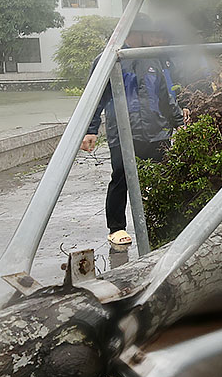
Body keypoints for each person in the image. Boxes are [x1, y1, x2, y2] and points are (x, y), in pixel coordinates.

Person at [80, 14, 186, 246]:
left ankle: (163, 223)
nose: (153, 38)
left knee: (164, 179)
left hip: (156, 132)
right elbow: (95, 98)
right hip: (123, 134)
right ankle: (116, 228)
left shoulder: (153, 60)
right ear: (134, 33)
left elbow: (165, 97)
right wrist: (91, 130)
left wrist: (180, 124)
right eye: (148, 33)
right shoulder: (108, 60)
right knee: (121, 178)